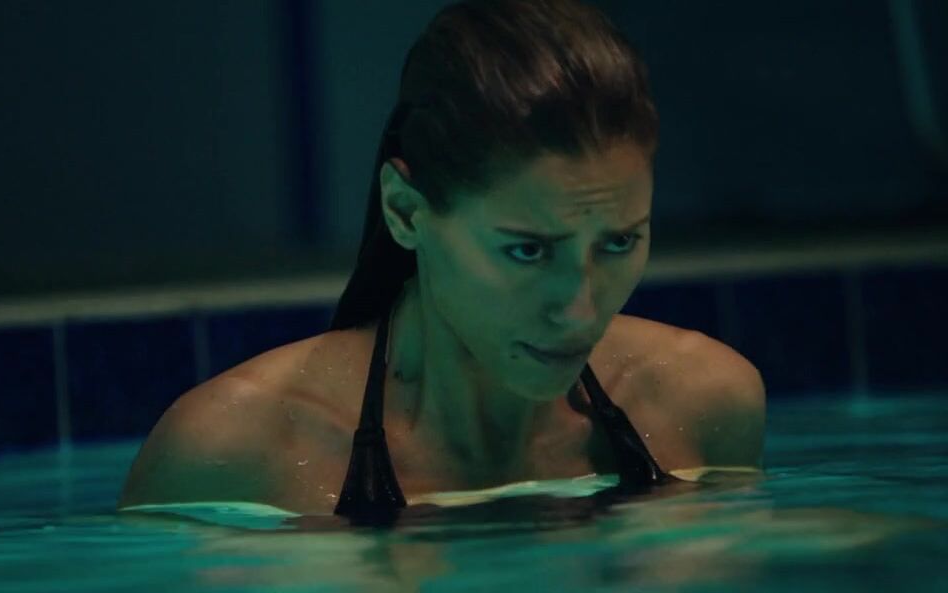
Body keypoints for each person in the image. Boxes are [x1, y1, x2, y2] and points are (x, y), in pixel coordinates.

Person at [119, 0, 765, 522]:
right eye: (527, 250)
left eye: (618, 243)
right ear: (405, 212)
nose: (579, 307)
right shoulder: (228, 456)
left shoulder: (705, 407)